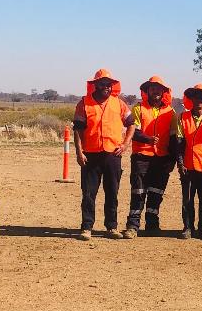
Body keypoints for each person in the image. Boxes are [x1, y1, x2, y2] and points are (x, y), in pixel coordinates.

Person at [72, 69, 135, 240]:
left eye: (109, 84)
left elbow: (131, 124)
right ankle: (86, 228)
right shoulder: (84, 103)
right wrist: (79, 151)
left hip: (112, 155)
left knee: (112, 192)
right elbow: (77, 129)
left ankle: (111, 227)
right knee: (88, 193)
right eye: (102, 84)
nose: (106, 87)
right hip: (90, 155)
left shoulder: (119, 103)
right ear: (95, 85)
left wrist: (125, 144)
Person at [124, 76, 179, 238]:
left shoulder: (171, 112)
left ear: (163, 92)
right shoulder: (138, 108)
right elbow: (133, 132)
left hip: (162, 159)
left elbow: (174, 138)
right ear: (147, 91)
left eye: (159, 89)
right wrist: (148, 139)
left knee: (156, 192)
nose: (156, 91)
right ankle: (133, 226)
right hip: (142, 157)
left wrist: (173, 160)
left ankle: (152, 224)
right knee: (138, 192)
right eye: (152, 88)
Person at [174, 83, 202, 239]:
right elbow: (179, 143)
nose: (199, 100)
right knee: (187, 199)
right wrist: (180, 164)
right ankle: (187, 227)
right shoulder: (182, 117)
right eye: (196, 96)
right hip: (187, 166)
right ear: (191, 99)